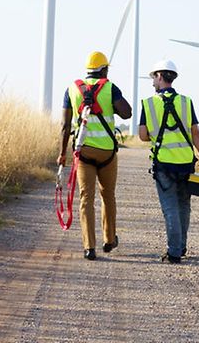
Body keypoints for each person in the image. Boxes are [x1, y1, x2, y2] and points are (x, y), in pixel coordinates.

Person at [57, 50, 133, 261]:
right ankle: (109, 240)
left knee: (86, 198)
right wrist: (110, 103)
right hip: (107, 152)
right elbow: (127, 113)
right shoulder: (110, 87)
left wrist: (62, 154)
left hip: (83, 152)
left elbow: (64, 125)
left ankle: (88, 247)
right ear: (105, 69)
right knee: (108, 195)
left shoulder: (72, 89)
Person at [137, 58, 199, 263]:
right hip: (186, 163)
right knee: (183, 207)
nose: (153, 81)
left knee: (170, 207)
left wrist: (158, 134)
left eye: (154, 77)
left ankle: (174, 253)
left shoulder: (149, 103)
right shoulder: (186, 102)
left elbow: (143, 136)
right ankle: (180, 247)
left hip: (164, 165)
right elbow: (195, 133)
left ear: (160, 76)